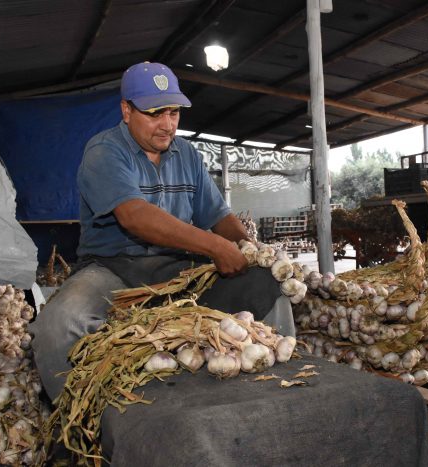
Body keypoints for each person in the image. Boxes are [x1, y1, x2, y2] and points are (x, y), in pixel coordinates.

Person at [30, 62, 294, 401]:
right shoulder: (104, 151)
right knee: (57, 325)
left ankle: (286, 387)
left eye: (174, 112)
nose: (167, 125)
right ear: (126, 110)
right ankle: (72, 418)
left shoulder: (186, 154)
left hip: (177, 268)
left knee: (267, 285)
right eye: (154, 113)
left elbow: (218, 215)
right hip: (113, 268)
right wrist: (215, 246)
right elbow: (135, 217)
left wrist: (252, 248)